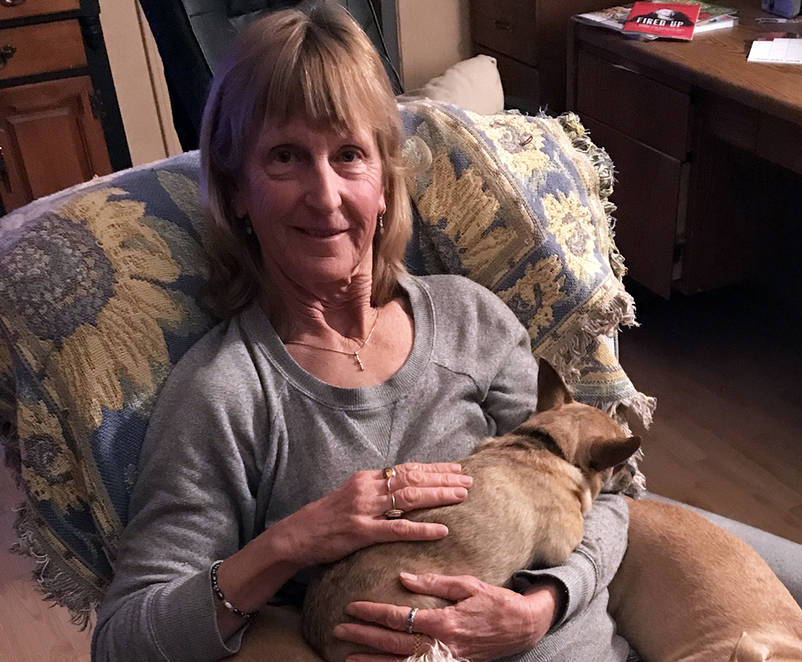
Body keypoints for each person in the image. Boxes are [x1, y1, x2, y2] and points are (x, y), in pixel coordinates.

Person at [90, 3, 631, 661]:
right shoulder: (225, 392)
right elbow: (125, 642)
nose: (325, 195)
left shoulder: (471, 317)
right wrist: (291, 543)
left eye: (348, 155)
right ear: (237, 190)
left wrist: (541, 606)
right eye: (286, 157)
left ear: (384, 179)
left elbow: (611, 498)